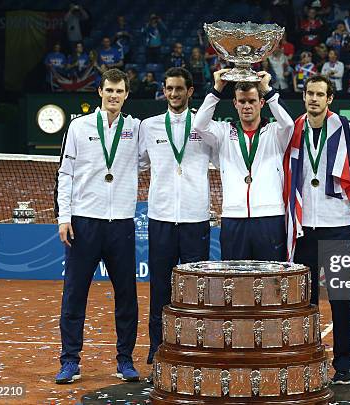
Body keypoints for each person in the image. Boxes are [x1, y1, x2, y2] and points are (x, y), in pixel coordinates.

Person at [54, 68, 141, 384]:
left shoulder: (136, 130)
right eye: (109, 90)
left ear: (126, 95)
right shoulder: (78, 127)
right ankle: (70, 361)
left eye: (119, 91)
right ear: (100, 93)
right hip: (84, 223)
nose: (114, 96)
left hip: (120, 224)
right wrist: (64, 217)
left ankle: (125, 360)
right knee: (74, 294)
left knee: (126, 297)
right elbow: (65, 174)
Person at [284, 74, 350, 384]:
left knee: (341, 299)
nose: (314, 98)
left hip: (337, 226)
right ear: (304, 97)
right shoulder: (294, 129)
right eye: (309, 93)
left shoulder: (346, 130)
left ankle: (344, 363)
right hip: (304, 229)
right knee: (305, 301)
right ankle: (308, 358)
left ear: (330, 99)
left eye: (320, 94)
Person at [139, 67, 215, 374]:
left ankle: (195, 346)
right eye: (169, 88)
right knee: (160, 287)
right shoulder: (149, 126)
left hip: (196, 218)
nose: (173, 94)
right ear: (163, 90)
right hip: (161, 218)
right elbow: (139, 163)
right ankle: (157, 347)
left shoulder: (204, 127)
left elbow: (226, 159)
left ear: (190, 90)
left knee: (197, 289)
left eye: (179, 89)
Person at [192, 70, 293, 260]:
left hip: (270, 217)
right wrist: (217, 88)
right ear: (235, 103)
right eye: (242, 101)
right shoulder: (223, 132)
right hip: (233, 217)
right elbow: (199, 125)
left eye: (252, 101)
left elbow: (288, 124)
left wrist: (267, 89)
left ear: (261, 103)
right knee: (235, 280)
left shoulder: (274, 133)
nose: (247, 106)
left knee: (271, 282)